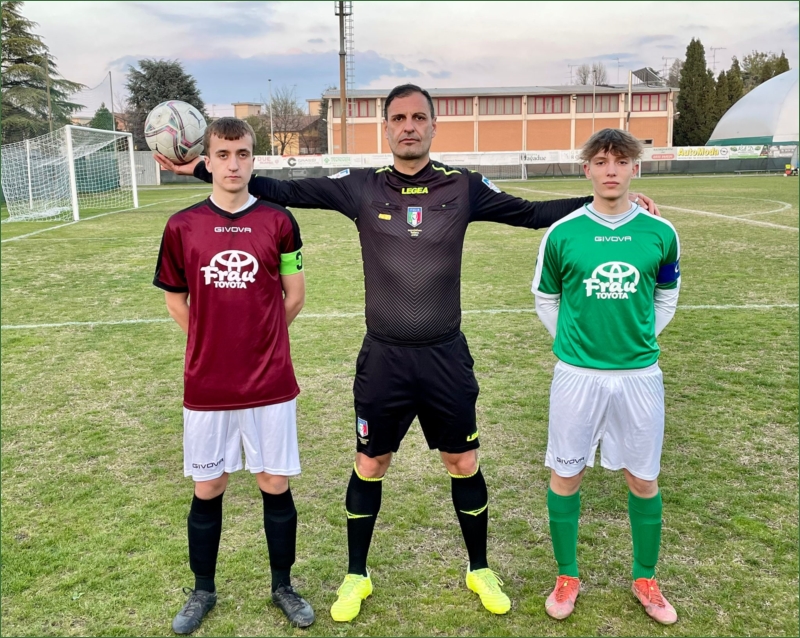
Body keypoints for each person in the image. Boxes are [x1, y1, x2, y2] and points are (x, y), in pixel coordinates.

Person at [155, 83, 660, 622]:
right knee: (370, 463)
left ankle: (479, 568)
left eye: (419, 117)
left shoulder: (463, 186)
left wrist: (608, 202)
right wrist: (204, 169)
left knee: (463, 461)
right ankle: (356, 575)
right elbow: (284, 188)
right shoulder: (361, 187)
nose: (409, 126)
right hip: (384, 358)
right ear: (386, 128)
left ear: (433, 125)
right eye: (399, 118)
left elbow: (532, 213)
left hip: (445, 356)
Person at [153, 117, 314, 634]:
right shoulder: (182, 226)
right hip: (208, 382)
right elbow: (175, 300)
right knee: (209, 485)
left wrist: (261, 340)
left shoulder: (278, 220)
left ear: (253, 159)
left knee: (274, 481)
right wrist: (212, 342)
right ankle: (202, 590)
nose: (233, 164)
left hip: (270, 380)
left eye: (242, 154)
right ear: (208, 160)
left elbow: (294, 296)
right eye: (222, 155)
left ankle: (283, 586)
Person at [531, 128, 680, 625]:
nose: (611, 170)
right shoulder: (563, 233)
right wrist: (576, 344)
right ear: (587, 169)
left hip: (639, 376)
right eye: (601, 161)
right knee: (566, 474)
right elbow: (546, 297)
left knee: (643, 479)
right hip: (577, 377)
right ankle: (567, 575)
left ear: (636, 168)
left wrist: (637, 338)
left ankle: (645, 578)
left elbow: (666, 296)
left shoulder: (661, 232)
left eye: (620, 161)